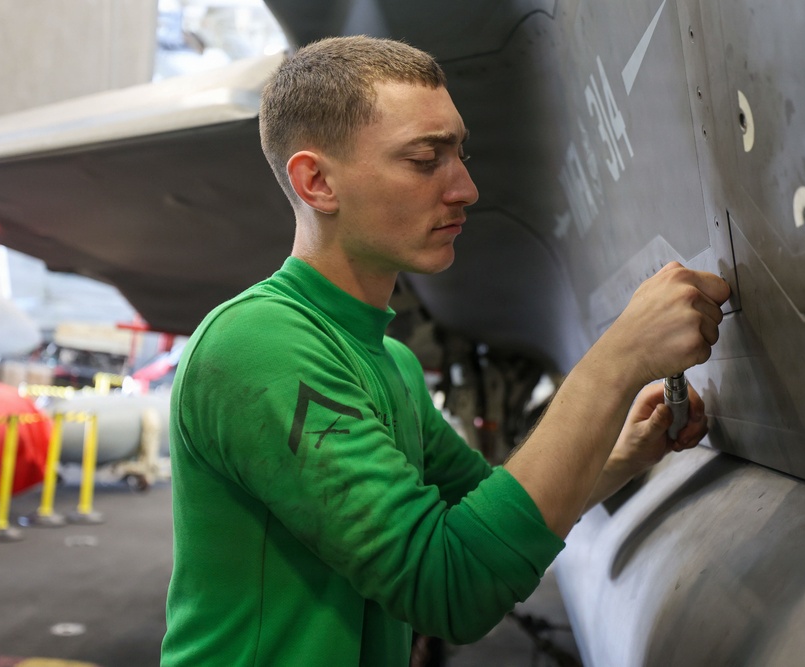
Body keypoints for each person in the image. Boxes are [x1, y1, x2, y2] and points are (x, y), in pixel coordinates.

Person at [161, 35, 729, 666]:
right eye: (426, 159)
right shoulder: (257, 342)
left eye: (460, 153)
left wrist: (619, 455)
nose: (466, 188)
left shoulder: (392, 361)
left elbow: (480, 512)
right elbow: (450, 587)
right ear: (317, 181)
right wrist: (616, 361)